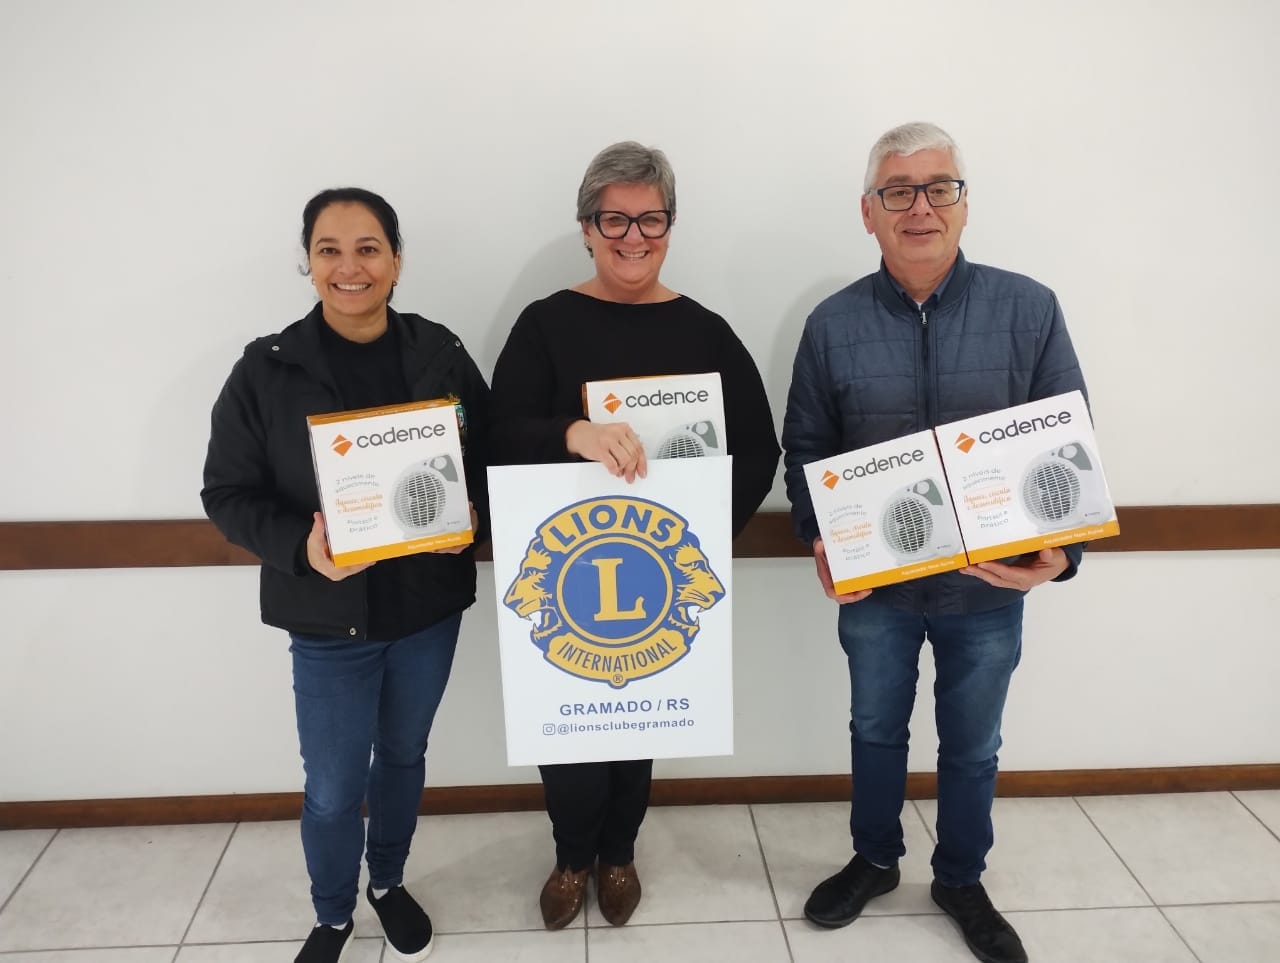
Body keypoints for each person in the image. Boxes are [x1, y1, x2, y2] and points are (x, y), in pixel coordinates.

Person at [782, 122, 1090, 963]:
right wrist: (820, 539)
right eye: (898, 191)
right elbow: (804, 450)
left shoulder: (1029, 309)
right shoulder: (832, 324)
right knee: (874, 727)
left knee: (974, 742)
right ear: (868, 212)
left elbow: (1069, 444)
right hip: (876, 590)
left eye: (938, 187)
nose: (920, 207)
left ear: (963, 203)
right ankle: (875, 858)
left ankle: (960, 877)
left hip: (987, 588)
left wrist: (1064, 554)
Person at [489, 141, 780, 930]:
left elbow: (759, 450)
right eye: (613, 219)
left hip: (658, 575)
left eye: (651, 218)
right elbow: (497, 434)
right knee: (569, 728)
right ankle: (570, 855)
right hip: (564, 576)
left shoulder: (706, 334)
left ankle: (618, 852)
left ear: (670, 226)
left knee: (640, 721)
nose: (633, 235)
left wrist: (702, 538)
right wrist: (573, 432)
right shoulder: (545, 325)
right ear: (587, 227)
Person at [201, 187, 490, 963]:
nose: (349, 266)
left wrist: (469, 520)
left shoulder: (440, 352)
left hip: (426, 611)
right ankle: (332, 914)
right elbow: (226, 493)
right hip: (329, 619)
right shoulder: (266, 369)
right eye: (328, 249)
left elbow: (489, 460)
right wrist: (302, 546)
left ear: (397, 261)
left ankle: (386, 882)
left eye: (368, 248)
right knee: (332, 787)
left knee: (402, 755)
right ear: (308, 262)